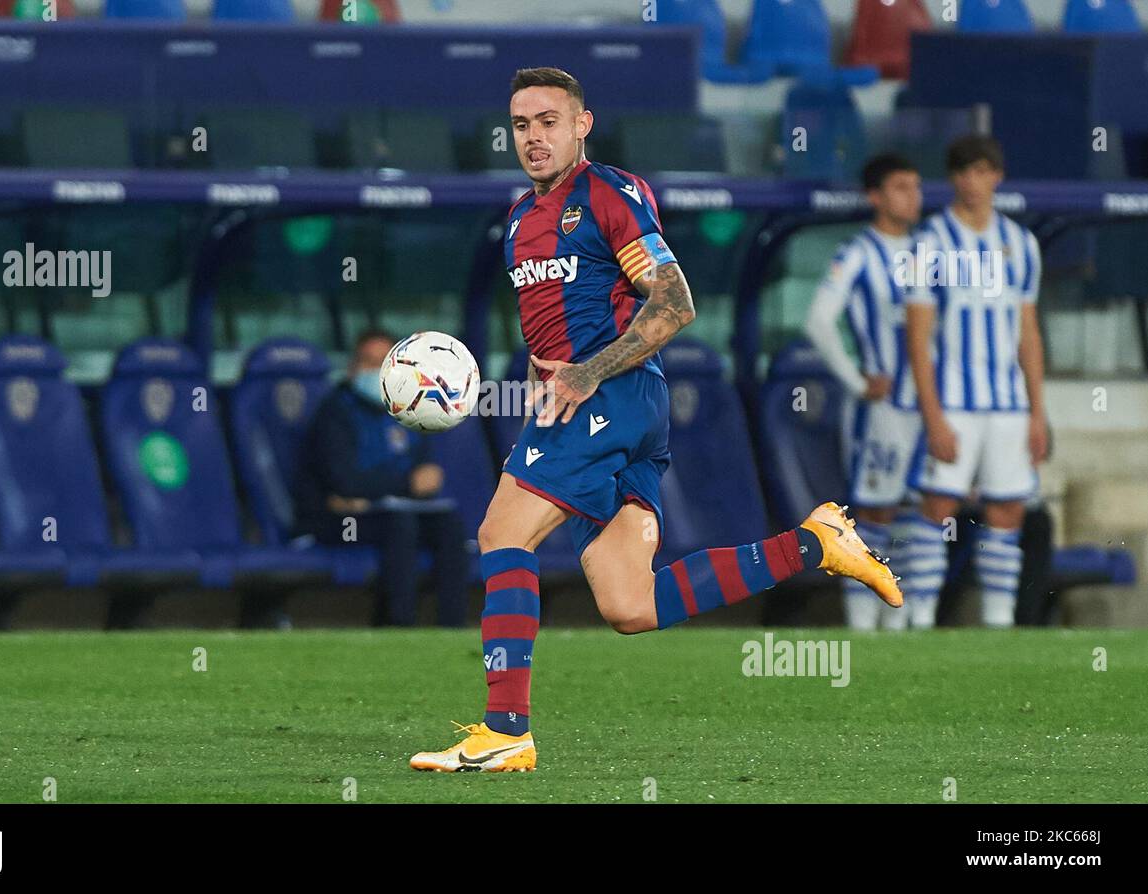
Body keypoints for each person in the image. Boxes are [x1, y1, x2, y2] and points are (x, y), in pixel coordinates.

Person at [409, 67, 902, 773]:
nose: (534, 137)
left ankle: (505, 729)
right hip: (597, 409)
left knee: (500, 532)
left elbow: (674, 303)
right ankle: (816, 545)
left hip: (613, 397)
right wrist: (538, 397)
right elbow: (548, 337)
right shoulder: (521, 217)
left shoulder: (609, 193)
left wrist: (585, 374)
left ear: (582, 123)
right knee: (629, 603)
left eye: (549, 121)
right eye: (521, 125)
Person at [903, 135, 1048, 629]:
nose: (973, 181)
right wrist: (933, 413)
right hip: (954, 400)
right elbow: (918, 339)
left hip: (1008, 404)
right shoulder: (930, 242)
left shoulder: (1022, 244)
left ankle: (999, 621)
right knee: (937, 505)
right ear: (953, 179)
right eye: (963, 172)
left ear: (997, 176)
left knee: (1008, 508)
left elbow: (1028, 332)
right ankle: (918, 617)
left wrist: (1037, 411)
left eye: (982, 171)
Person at [803, 153, 923, 631]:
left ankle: (904, 619)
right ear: (875, 196)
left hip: (931, 405)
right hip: (883, 408)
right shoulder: (857, 253)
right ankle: (861, 620)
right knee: (875, 509)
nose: (912, 196)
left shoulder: (932, 254)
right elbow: (818, 322)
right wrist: (858, 381)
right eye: (900, 187)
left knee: (920, 508)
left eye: (916, 186)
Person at [297, 328, 467, 627]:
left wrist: (410, 485)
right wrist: (405, 485)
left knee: (449, 526)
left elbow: (425, 476)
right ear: (352, 367)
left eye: (383, 363)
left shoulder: (411, 409)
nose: (375, 371)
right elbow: (344, 483)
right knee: (399, 526)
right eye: (368, 361)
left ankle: (452, 628)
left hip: (390, 511)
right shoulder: (335, 412)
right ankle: (400, 627)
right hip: (338, 519)